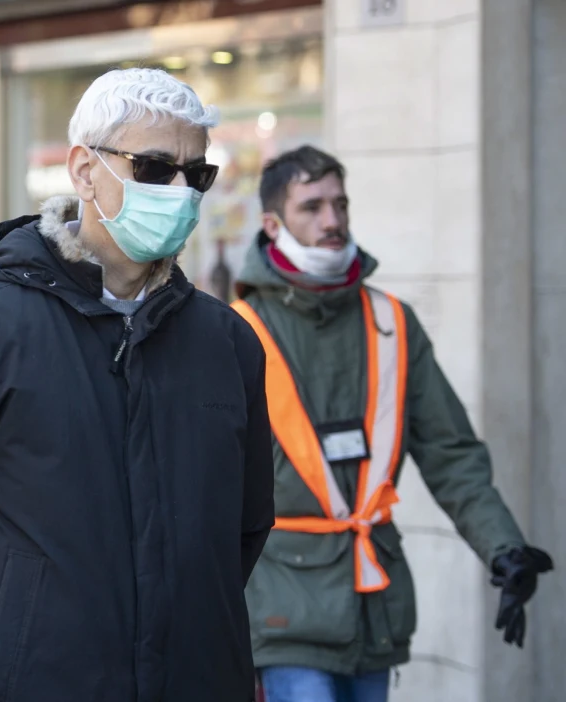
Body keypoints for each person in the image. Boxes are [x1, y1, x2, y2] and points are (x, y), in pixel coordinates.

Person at [0, 67, 275, 701]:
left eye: (197, 175)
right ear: (84, 170)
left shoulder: (227, 343)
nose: (181, 192)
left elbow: (240, 531)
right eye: (156, 168)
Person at [234, 145, 554, 702]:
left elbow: (450, 453)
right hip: (283, 610)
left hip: (375, 604)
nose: (332, 221)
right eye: (312, 207)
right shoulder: (237, 332)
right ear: (272, 223)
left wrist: (503, 548)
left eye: (341, 204)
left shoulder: (393, 323)